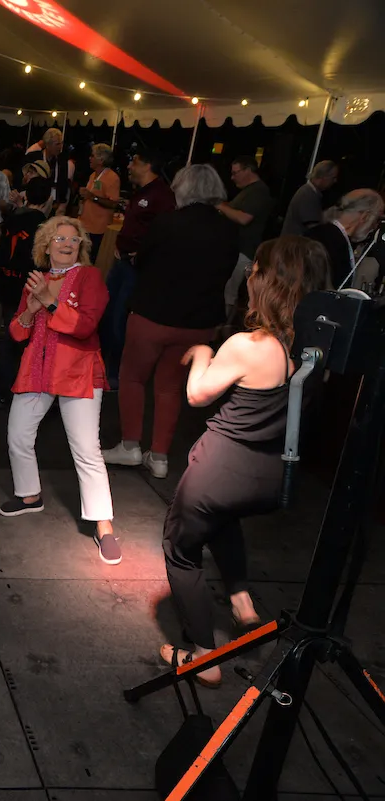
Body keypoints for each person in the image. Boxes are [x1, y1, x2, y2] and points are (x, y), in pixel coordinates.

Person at [159, 237, 328, 687]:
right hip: (273, 478)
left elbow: (198, 394)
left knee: (181, 551)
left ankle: (202, 657)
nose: (250, 276)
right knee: (223, 519)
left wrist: (202, 355)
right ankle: (242, 604)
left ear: (271, 283)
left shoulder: (250, 345)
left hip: (221, 472)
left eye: (256, 269)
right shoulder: (316, 353)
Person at [103, 165, 239, 479]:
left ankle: (130, 446)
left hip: (154, 315)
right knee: (170, 388)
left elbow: (144, 261)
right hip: (199, 322)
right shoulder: (229, 230)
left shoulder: (167, 223)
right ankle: (160, 456)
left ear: (182, 189)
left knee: (133, 378)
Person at [1, 216, 119, 565]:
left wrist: (50, 302)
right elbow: (17, 332)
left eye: (73, 239)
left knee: (86, 448)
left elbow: (85, 327)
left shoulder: (89, 277)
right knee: (17, 434)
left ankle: (104, 525)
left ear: (81, 246)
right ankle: (28, 495)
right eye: (59, 238)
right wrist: (31, 309)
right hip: (38, 367)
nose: (67, 244)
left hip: (77, 370)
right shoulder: (37, 280)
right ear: (46, 246)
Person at [100, 146, 175, 388]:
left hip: (136, 268)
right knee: (107, 311)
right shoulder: (140, 192)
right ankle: (101, 365)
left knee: (120, 320)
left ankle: (118, 372)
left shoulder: (161, 195)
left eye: (134, 162)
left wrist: (140, 256)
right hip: (121, 263)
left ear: (147, 165)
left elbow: (164, 234)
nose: (129, 166)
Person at [0, 177, 55, 401]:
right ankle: (16, 387)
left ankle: (2, 387)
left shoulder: (12, 219)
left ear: (26, 195)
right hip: (28, 289)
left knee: (11, 333)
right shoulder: (44, 226)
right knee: (25, 339)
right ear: (48, 198)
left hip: (6, 283)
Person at [219, 156, 274, 313]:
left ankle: (222, 328)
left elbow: (244, 218)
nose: (232, 177)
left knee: (230, 291)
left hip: (244, 250)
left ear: (248, 170)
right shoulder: (247, 191)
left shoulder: (259, 191)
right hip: (236, 249)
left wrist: (220, 206)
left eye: (235, 173)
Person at [305, 188, 384, 290]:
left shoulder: (322, 233)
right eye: (377, 220)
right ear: (365, 216)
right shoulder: (333, 243)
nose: (375, 227)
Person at [77, 144, 121, 263]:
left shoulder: (112, 178)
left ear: (101, 159)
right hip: (85, 225)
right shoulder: (93, 175)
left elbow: (113, 204)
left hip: (98, 229)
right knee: (81, 259)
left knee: (90, 261)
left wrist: (93, 197)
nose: (89, 158)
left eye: (92, 156)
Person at [281, 160, 338, 237]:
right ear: (323, 176)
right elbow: (313, 228)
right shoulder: (308, 194)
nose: (335, 181)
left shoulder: (310, 192)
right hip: (294, 245)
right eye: (333, 177)